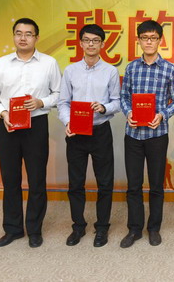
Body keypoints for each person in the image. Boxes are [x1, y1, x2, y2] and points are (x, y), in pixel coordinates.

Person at [0, 18, 61, 248]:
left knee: (37, 179)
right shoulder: (1, 63)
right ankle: (13, 229)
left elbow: (59, 94)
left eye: (28, 34)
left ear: (36, 37)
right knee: (10, 179)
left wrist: (40, 102)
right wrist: (3, 113)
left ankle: (35, 230)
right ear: (13, 36)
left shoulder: (49, 63)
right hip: (8, 125)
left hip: (36, 125)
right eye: (19, 33)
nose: (23, 38)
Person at [119, 20, 174, 248]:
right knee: (133, 185)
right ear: (138, 40)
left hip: (157, 135)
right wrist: (128, 113)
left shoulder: (169, 69)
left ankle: (154, 228)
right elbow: (123, 97)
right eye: (144, 38)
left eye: (153, 38)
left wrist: (162, 115)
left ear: (160, 40)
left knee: (156, 184)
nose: (149, 42)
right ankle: (134, 229)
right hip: (133, 134)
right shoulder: (131, 68)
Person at [57, 24, 121, 248]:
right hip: (76, 133)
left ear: (102, 44)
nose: (91, 44)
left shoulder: (110, 71)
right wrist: (68, 122)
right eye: (87, 40)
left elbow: (117, 102)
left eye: (95, 40)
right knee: (76, 183)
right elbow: (63, 102)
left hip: (100, 131)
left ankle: (102, 227)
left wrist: (103, 107)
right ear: (81, 43)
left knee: (105, 182)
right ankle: (78, 226)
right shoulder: (70, 71)